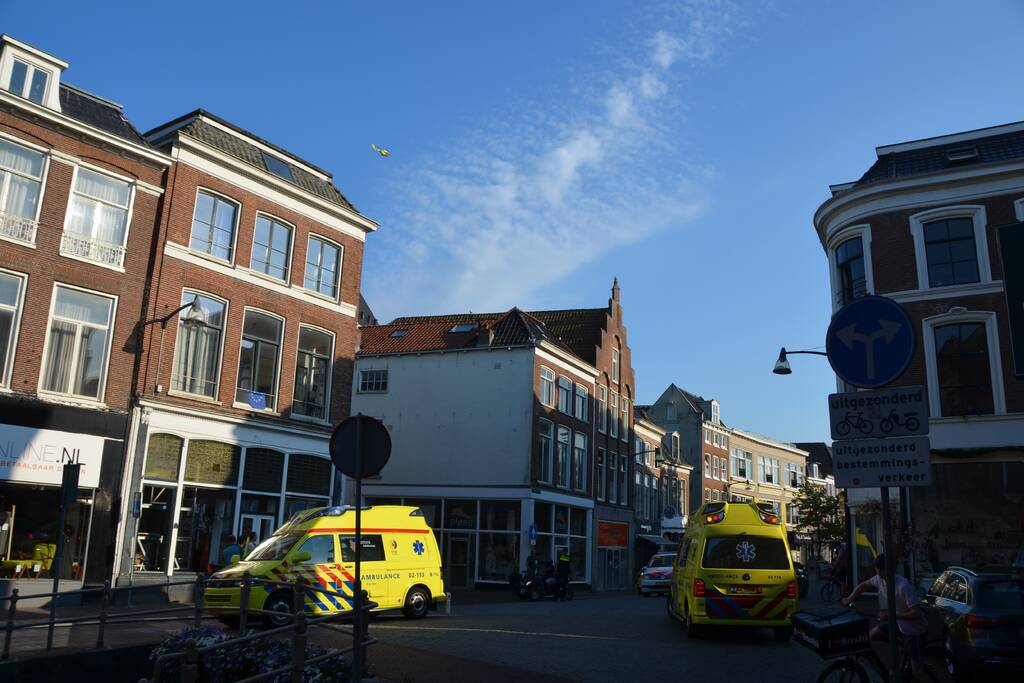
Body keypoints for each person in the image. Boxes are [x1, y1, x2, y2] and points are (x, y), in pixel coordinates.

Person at [841, 553, 927, 679]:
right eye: (877, 570)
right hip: (898, 624)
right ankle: (900, 648)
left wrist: (893, 616)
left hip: (914, 631)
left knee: (917, 673)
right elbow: (863, 585)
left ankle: (911, 658)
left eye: (880, 570)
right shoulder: (879, 579)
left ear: (888, 570)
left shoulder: (903, 586)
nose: (878, 573)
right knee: (872, 635)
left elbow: (916, 613)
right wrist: (849, 599)